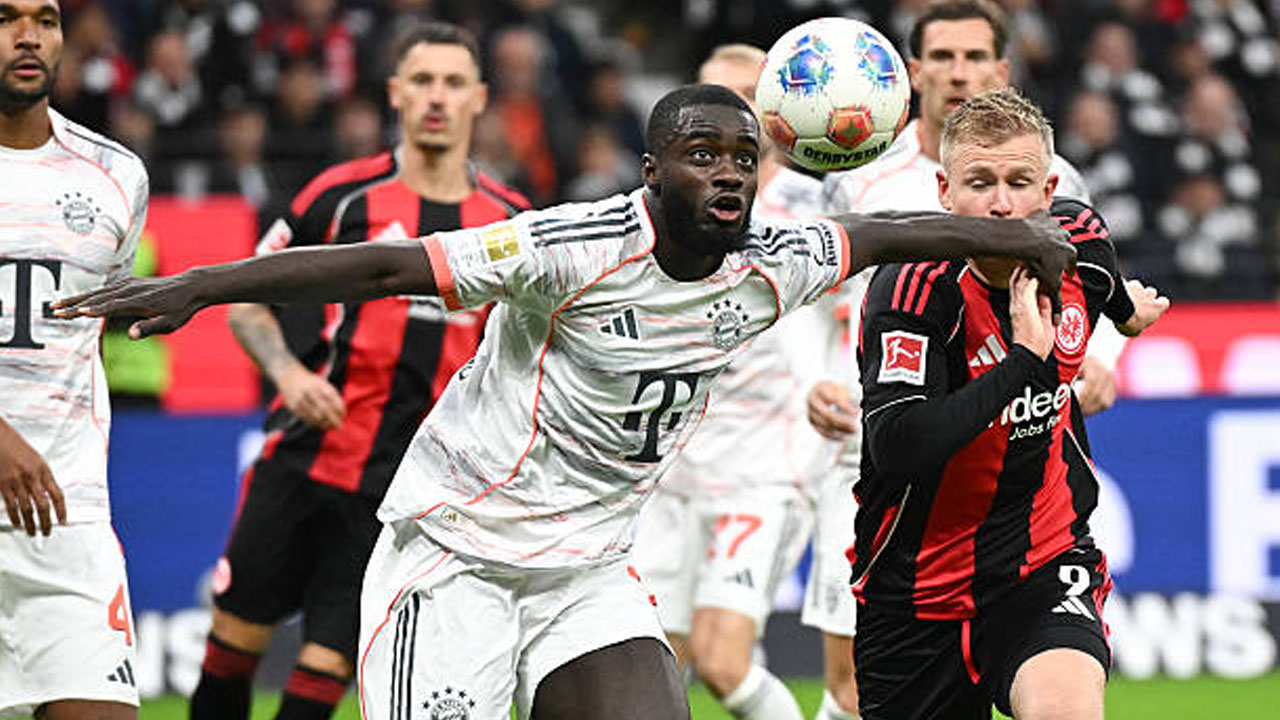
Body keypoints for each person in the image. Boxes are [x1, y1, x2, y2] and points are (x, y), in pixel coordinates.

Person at [56, 83, 1076, 720]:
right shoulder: (567, 249)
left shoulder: (774, 263)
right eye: (700, 155)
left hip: (585, 571)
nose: (726, 174)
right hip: (456, 557)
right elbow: (382, 266)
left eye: (739, 159)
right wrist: (199, 285)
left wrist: (1020, 237)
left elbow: (893, 235)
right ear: (650, 173)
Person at [187, 21, 528, 720]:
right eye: (423, 81)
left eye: (454, 82)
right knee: (229, 658)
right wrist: (286, 373)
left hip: (404, 498)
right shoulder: (339, 198)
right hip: (303, 463)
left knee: (319, 683)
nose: (438, 97)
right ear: (395, 94)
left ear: (479, 99)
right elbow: (246, 294)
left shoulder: (509, 225)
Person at [850, 87, 1168, 720]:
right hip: (915, 594)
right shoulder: (912, 291)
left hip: (1043, 564)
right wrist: (1024, 362)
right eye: (980, 182)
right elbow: (900, 445)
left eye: (1019, 182)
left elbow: (1106, 276)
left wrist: (1129, 316)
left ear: (1047, 192)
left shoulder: (1079, 241)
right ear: (944, 193)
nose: (1000, 204)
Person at [629, 43, 854, 720]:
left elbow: (851, 320)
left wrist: (828, 384)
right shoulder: (657, 212)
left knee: (724, 661)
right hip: (672, 466)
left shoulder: (815, 211)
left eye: (747, 99)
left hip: (765, 463)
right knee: (652, 670)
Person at [816, 0, 1127, 428]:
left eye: (975, 56)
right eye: (943, 56)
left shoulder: (1053, 177)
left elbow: (1097, 276)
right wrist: (818, 379)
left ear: (1001, 73)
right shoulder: (858, 181)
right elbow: (816, 301)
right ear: (916, 72)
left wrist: (1099, 356)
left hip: (1012, 425)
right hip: (880, 424)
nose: (958, 73)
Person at [0, 1, 148, 718]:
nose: (29, 37)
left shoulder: (116, 177)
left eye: (47, 19)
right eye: (4, 17)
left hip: (66, 520)